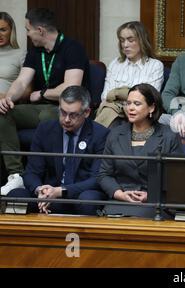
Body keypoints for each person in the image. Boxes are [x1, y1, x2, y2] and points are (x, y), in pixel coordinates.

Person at [0, 8, 89, 192]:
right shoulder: (35, 51)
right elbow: (22, 81)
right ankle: (16, 175)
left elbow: (71, 88)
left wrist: (42, 93)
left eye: (28, 29)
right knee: (3, 113)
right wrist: (8, 98)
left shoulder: (73, 48)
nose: (27, 33)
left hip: (64, 109)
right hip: (38, 108)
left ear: (40, 30)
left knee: (47, 118)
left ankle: (55, 178)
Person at [5, 86, 110, 215]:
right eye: (63, 112)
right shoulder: (45, 129)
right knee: (15, 196)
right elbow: (32, 171)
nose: (66, 119)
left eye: (73, 115)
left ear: (87, 112)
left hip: (79, 194)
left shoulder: (100, 134)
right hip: (48, 194)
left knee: (89, 200)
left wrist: (60, 191)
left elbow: (98, 179)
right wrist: (40, 191)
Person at [97, 83, 183, 217]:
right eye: (128, 103)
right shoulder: (115, 134)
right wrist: (119, 194)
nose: (130, 108)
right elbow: (104, 174)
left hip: (155, 202)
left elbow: (176, 179)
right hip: (120, 201)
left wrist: (151, 196)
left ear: (152, 107)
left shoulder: (169, 136)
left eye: (137, 104)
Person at [95, 21, 164, 128]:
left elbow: (149, 97)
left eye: (130, 40)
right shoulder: (115, 64)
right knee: (110, 112)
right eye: (122, 41)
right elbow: (106, 96)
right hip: (114, 111)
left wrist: (117, 93)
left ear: (142, 41)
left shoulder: (155, 65)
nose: (125, 45)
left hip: (140, 115)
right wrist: (127, 97)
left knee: (110, 116)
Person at [0, 12, 25, 97]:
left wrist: (6, 97)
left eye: (3, 30)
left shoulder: (21, 54)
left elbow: (27, 90)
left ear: (11, 31)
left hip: (6, 103)